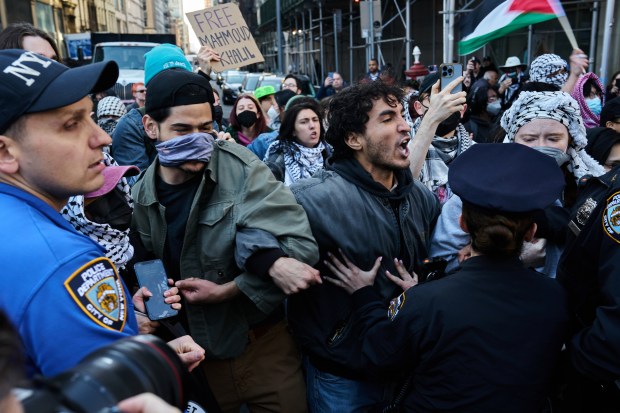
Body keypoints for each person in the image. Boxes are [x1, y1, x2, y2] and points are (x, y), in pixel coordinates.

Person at [0, 49, 204, 378]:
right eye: (71, 124)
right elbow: (114, 396)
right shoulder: (65, 263)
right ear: (5, 151)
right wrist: (156, 372)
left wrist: (124, 325)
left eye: (90, 117)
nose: (103, 138)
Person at [325, 143, 570, 413]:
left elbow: (378, 356)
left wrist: (366, 296)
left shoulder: (427, 301)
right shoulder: (554, 296)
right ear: (531, 232)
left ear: (462, 223)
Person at [131, 68, 320, 412]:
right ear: (150, 127)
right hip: (196, 364)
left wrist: (229, 290)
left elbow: (301, 249)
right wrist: (150, 303)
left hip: (263, 353)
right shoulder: (141, 194)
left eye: (205, 128)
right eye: (182, 130)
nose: (198, 140)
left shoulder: (243, 169)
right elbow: (146, 269)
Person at [288, 81, 441, 412]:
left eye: (402, 115)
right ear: (354, 139)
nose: (404, 125)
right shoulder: (310, 200)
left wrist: (423, 287)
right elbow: (252, 238)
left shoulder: (421, 198)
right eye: (387, 118)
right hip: (344, 377)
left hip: (406, 368)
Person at [430, 91, 605, 276]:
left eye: (553, 138)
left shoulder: (591, 188)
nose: (541, 146)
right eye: (529, 139)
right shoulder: (479, 187)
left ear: (570, 141)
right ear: (513, 139)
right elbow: (444, 258)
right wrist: (507, 261)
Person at [111, 44, 194, 184]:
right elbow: (137, 189)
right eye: (166, 80)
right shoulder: (131, 126)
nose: (176, 87)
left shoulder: (202, 118)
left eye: (183, 79)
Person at [410, 72, 474, 204]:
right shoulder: (402, 147)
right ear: (418, 107)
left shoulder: (476, 153)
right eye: (434, 98)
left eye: (452, 98)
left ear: (462, 110)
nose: (443, 104)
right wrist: (432, 118)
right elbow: (402, 182)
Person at [263, 100, 331, 185]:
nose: (312, 126)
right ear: (293, 131)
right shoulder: (278, 160)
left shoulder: (328, 153)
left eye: (315, 120)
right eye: (304, 122)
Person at [247, 89, 297, 159]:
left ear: (284, 108)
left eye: (274, 104)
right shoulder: (265, 140)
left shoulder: (267, 139)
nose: (273, 108)